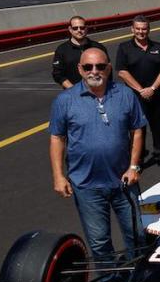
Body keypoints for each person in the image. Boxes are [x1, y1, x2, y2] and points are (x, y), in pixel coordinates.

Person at [49, 47, 146, 264]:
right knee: (100, 241)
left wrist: (134, 166)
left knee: (137, 235)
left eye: (100, 66)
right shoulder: (65, 100)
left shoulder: (125, 94)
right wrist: (58, 176)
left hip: (123, 182)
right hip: (87, 185)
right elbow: (57, 138)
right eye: (88, 67)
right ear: (80, 69)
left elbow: (137, 129)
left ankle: (137, 275)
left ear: (108, 68)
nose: (95, 71)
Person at [116, 16, 160, 168]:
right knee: (137, 129)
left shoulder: (158, 47)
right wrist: (141, 90)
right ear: (132, 29)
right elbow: (122, 72)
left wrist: (152, 88)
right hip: (135, 97)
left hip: (156, 94)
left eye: (144, 28)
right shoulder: (124, 47)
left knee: (158, 127)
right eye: (138, 29)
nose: (141, 31)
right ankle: (137, 161)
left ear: (149, 29)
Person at [51, 16, 106, 87]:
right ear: (70, 29)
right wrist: (73, 90)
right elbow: (57, 74)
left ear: (86, 28)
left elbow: (107, 69)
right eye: (75, 28)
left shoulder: (98, 47)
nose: (79, 30)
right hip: (72, 93)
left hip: (98, 91)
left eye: (82, 27)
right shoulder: (62, 50)